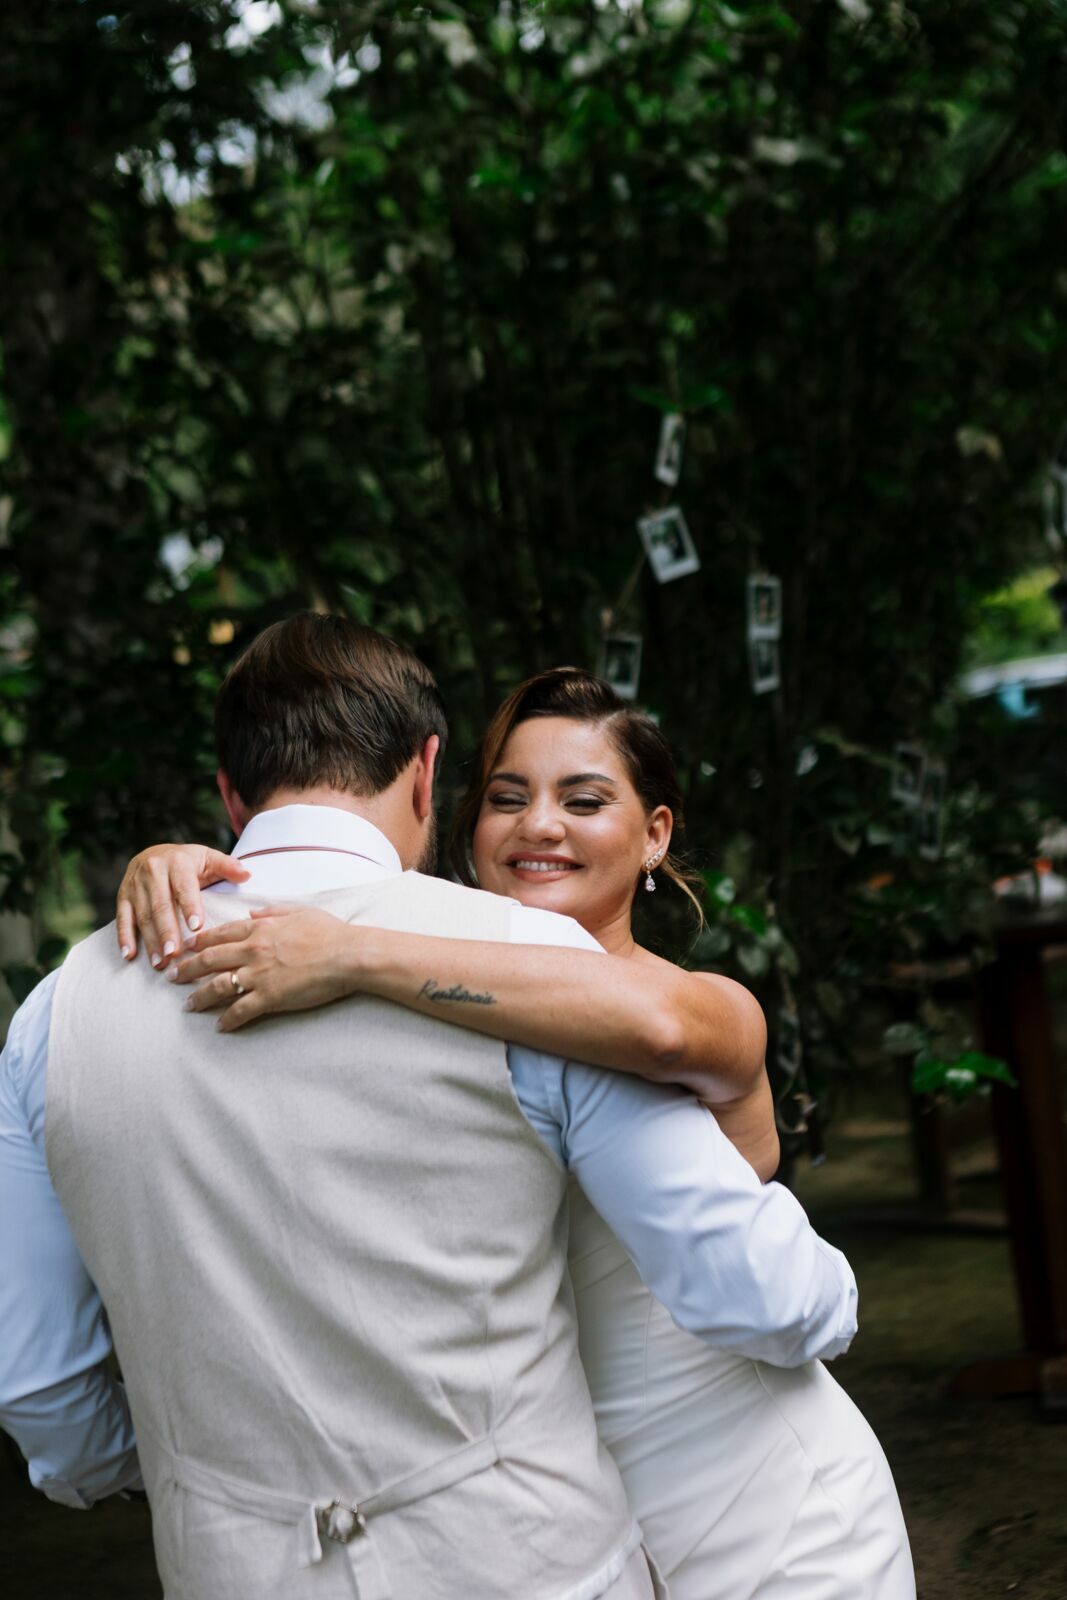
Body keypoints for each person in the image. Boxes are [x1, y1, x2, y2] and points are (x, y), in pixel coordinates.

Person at [0, 617, 864, 1600]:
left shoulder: (52, 1017)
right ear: (428, 775)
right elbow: (757, 1291)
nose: (540, 827)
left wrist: (208, 1489)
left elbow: (41, 1394)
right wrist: (835, 1296)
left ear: (230, 795)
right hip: (534, 1567)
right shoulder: (540, 969)